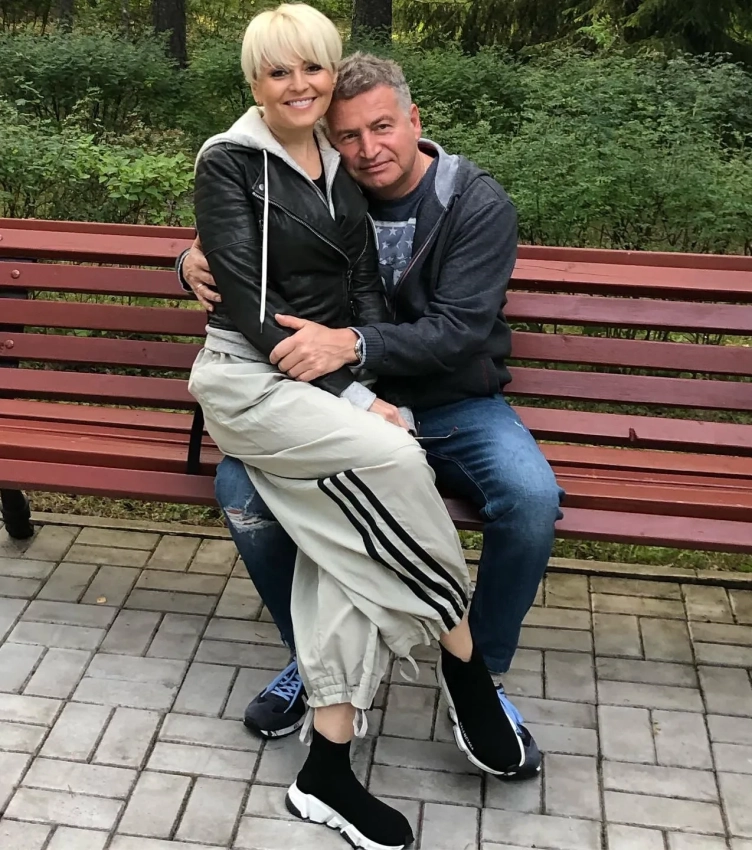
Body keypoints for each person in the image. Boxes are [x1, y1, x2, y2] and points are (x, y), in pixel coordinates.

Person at [188, 6, 532, 849]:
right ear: (254, 82)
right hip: (257, 379)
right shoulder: (233, 161)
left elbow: (367, 294)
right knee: (392, 458)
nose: (299, 84)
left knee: (344, 545)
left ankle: (327, 768)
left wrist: (357, 370)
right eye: (279, 71)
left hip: (369, 385)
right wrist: (354, 393)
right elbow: (245, 294)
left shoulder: (355, 168)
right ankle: (463, 665)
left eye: (313, 67)